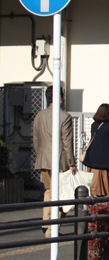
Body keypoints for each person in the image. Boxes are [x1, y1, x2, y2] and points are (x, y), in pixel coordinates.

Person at [33, 85, 76, 236]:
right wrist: (71, 163)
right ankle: (52, 227)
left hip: (43, 159)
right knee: (62, 194)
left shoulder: (39, 116)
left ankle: (46, 222)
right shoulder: (64, 117)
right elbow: (67, 142)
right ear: (60, 98)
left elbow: (36, 139)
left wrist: (41, 156)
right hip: (60, 161)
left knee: (49, 191)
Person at [82, 103, 109, 196]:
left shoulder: (94, 125)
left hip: (93, 161)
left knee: (96, 186)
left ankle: (97, 203)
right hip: (106, 160)